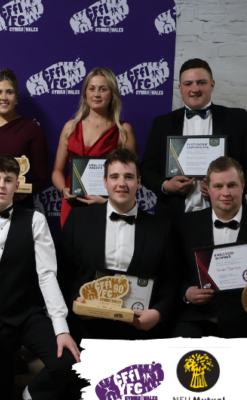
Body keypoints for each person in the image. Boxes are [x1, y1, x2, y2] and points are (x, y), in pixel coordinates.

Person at [0, 153, 79, 400]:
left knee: (66, 363)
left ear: (17, 185)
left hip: (27, 315)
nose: (2, 185)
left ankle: (29, 394)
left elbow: (47, 276)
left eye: (8, 180)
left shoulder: (36, 220)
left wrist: (61, 329)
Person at [62, 149, 176, 340]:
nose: (122, 183)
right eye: (114, 177)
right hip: (86, 328)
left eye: (129, 177)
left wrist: (158, 313)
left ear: (139, 182)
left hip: (137, 330)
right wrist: (77, 301)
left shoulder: (161, 228)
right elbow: (64, 272)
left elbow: (170, 281)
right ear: (105, 182)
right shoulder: (78, 219)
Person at [140, 58, 247, 221]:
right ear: (180, 88)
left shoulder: (238, 119)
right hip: (173, 218)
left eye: (201, 82)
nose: (195, 89)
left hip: (225, 215)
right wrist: (166, 186)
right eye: (188, 83)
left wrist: (225, 189)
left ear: (212, 84)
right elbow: (147, 169)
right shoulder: (162, 123)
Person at [171, 156, 247, 338]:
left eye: (232, 185)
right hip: (197, 319)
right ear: (207, 187)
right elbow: (172, 272)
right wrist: (186, 292)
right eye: (218, 186)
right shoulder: (185, 225)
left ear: (243, 185)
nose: (226, 193)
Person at [51, 67, 137, 227]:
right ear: (85, 93)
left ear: (112, 94)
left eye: (103, 89)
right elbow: (57, 171)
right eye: (92, 89)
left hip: (106, 205)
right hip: (72, 204)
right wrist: (64, 190)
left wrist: (107, 200)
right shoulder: (70, 127)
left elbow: (131, 176)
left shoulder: (123, 130)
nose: (96, 94)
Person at [0, 69, 48, 212]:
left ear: (16, 97)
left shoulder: (30, 128)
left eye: (9, 92)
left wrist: (23, 193)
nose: (4, 97)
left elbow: (41, 175)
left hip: (17, 205)